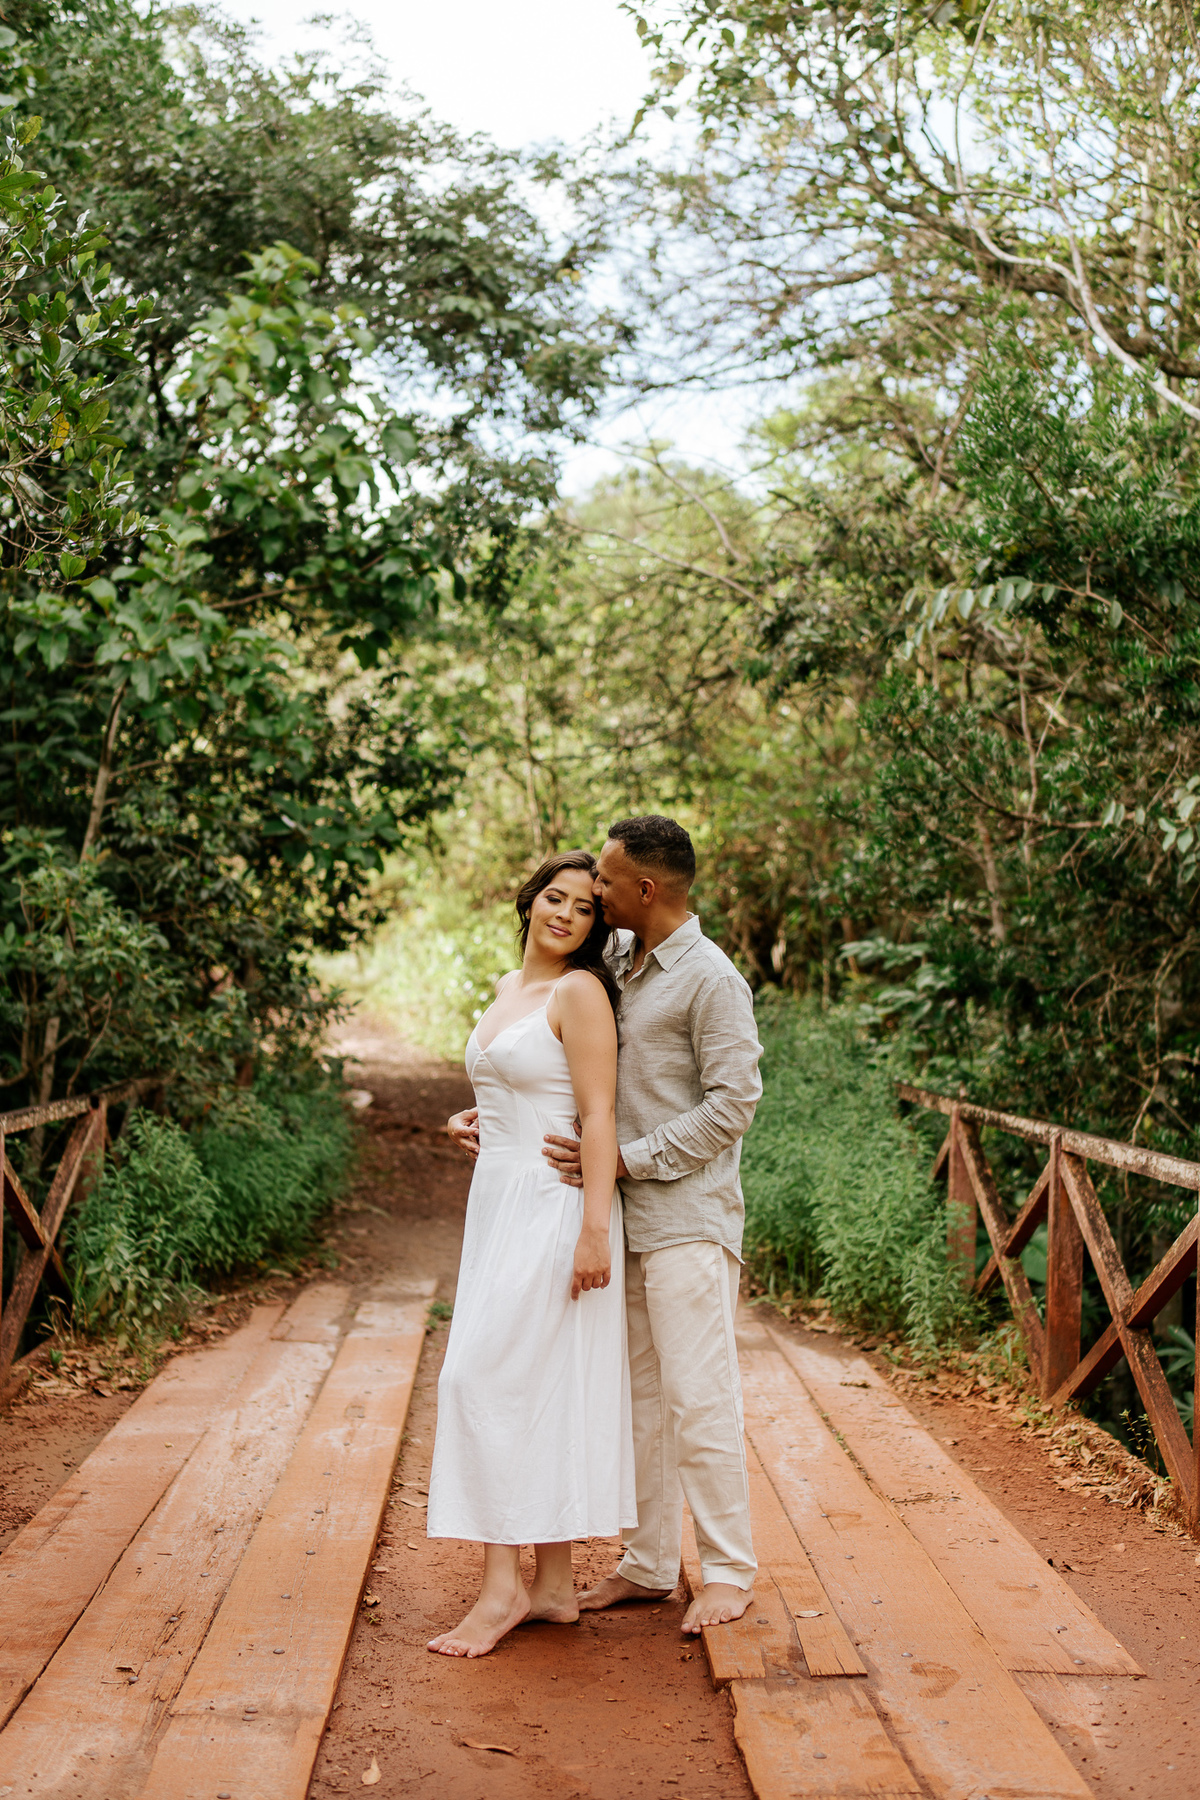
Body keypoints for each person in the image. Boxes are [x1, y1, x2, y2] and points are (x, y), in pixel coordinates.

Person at [541, 815, 763, 1634]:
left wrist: (628, 1161)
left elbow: (734, 1104)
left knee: (699, 1399)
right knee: (639, 1401)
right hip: (621, 1220)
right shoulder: (615, 965)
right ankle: (648, 1564)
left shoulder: (711, 979)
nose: (594, 890)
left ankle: (729, 1573)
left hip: (688, 1220)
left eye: (603, 879)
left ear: (644, 888)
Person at [427, 850, 635, 1658]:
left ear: (595, 927)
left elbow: (598, 1113)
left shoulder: (580, 992)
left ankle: (500, 1591)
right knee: (531, 1380)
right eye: (556, 897)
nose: (566, 916)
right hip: (497, 1205)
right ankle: (551, 1587)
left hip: (553, 1207)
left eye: (585, 909)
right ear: (529, 900)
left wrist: (594, 1229)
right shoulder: (509, 988)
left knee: (481, 1378)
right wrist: (470, 1117)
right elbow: (517, 1083)